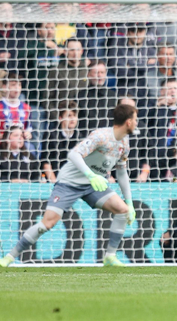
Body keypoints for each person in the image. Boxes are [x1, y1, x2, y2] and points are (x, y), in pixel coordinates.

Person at [0, 104, 138, 268]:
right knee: (47, 224)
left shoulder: (124, 143)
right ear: (128, 122)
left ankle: (110, 256)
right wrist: (91, 175)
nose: (137, 123)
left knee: (122, 210)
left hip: (92, 185)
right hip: (69, 183)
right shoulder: (101, 136)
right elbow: (73, 154)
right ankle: (9, 257)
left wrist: (129, 202)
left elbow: (121, 172)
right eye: (136, 119)